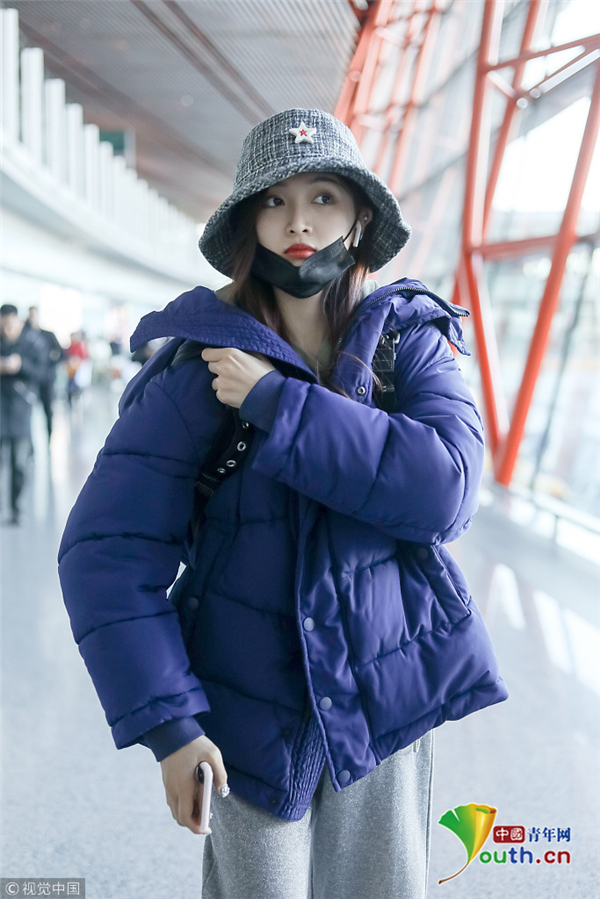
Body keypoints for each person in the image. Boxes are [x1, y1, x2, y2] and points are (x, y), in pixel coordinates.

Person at [58, 109, 508, 898]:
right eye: (274, 201)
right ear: (248, 222)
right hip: (246, 720)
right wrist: (171, 728)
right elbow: (107, 552)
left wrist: (278, 403)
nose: (299, 222)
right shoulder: (199, 369)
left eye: (324, 197)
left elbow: (447, 490)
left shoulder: (408, 343)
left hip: (383, 703)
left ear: (360, 216)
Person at [0, 304, 47, 524]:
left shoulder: (31, 342)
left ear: (18, 321)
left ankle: (16, 506)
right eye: (3, 325)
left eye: (10, 325)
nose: (7, 329)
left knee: (19, 462)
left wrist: (21, 365)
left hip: (21, 409)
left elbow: (43, 372)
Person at [24, 306, 65, 442]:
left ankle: (49, 438)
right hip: (30, 380)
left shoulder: (47, 335)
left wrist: (50, 365)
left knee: (48, 411)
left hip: (46, 379)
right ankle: (29, 444)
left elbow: (61, 354)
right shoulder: (24, 335)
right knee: (27, 412)